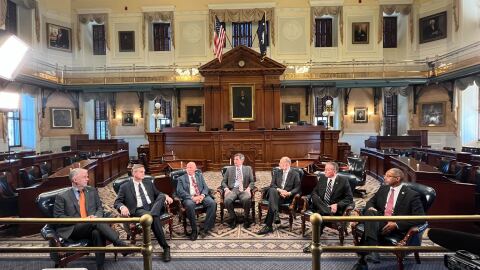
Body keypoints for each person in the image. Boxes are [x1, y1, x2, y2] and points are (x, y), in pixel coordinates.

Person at [53, 168, 130, 270]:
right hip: (73, 229)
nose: (88, 179)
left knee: (96, 232)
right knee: (94, 223)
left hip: (93, 224)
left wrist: (96, 217)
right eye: (85, 177)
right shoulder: (62, 196)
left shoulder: (92, 191)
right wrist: (83, 220)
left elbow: (100, 208)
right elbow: (59, 217)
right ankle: (119, 243)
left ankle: (100, 266)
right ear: (75, 180)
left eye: (87, 177)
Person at [351, 168, 424, 270]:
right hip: (379, 219)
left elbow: (421, 218)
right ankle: (372, 249)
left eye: (388, 176)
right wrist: (370, 207)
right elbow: (371, 202)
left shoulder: (411, 195)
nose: (384, 177)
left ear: (397, 179)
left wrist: (396, 224)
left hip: (394, 225)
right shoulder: (383, 189)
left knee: (370, 220)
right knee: (370, 212)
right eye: (385, 175)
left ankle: (364, 257)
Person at [113, 164, 172, 262]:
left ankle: (152, 215)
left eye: (144, 171)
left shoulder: (148, 182)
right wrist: (122, 207)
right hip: (138, 210)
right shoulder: (125, 186)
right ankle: (166, 247)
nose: (143, 173)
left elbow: (158, 194)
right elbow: (117, 202)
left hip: (153, 207)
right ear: (134, 172)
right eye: (141, 171)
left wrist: (166, 196)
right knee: (155, 217)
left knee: (162, 196)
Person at [303, 162, 353, 253]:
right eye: (325, 169)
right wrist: (323, 205)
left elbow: (349, 198)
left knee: (320, 216)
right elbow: (315, 192)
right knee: (314, 196)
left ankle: (313, 243)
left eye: (327, 169)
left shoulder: (343, 181)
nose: (324, 171)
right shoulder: (322, 178)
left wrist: (337, 205)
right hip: (321, 206)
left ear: (334, 171)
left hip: (333, 208)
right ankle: (328, 213)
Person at [257, 156, 301, 235]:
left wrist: (288, 193)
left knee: (272, 200)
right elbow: (272, 184)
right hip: (276, 194)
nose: (279, 164)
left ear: (287, 164)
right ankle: (276, 213)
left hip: (286, 197)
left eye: (280, 163)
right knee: (272, 190)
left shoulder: (295, 174)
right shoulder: (277, 172)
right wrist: (280, 190)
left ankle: (269, 226)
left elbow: (298, 188)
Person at [176, 162, 217, 241]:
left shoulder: (199, 176)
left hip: (201, 195)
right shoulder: (181, 178)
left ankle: (206, 228)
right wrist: (192, 197)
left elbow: (205, 187)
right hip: (189, 197)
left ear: (195, 169)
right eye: (187, 167)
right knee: (190, 205)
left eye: (191, 167)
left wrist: (202, 196)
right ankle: (194, 230)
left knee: (212, 203)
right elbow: (180, 191)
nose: (189, 169)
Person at [221, 153, 255, 229]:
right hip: (233, 189)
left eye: (237, 159)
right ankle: (233, 218)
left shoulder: (248, 169)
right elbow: (223, 182)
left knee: (246, 199)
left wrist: (249, 189)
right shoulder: (229, 169)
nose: (235, 161)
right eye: (234, 159)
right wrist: (226, 189)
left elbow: (252, 181)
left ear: (242, 160)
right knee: (227, 200)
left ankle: (246, 218)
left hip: (244, 189)